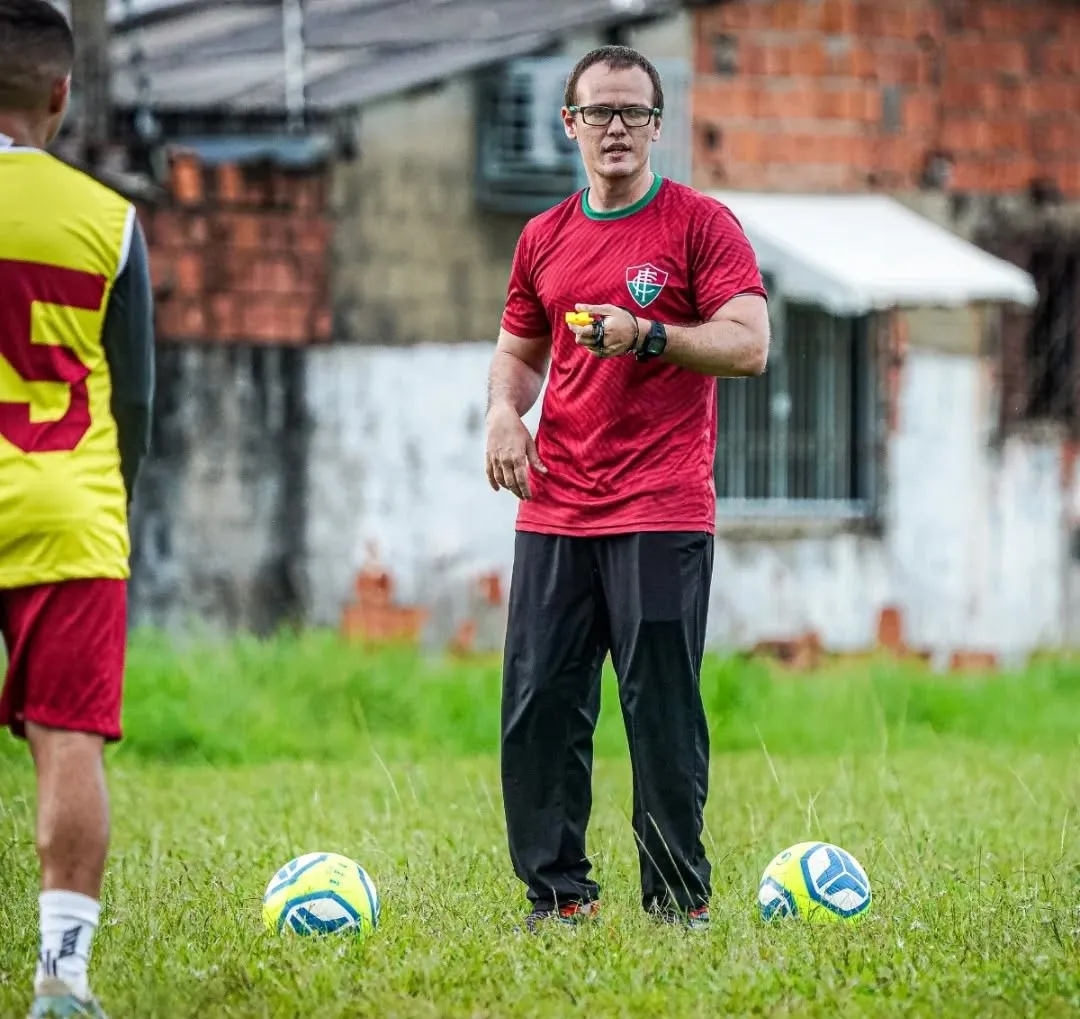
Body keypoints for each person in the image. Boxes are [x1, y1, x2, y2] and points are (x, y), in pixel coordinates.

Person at [485, 44, 770, 933]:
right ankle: (557, 897)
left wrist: (648, 334)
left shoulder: (699, 225)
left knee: (660, 709)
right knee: (537, 706)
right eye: (598, 112)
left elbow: (749, 342)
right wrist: (502, 414)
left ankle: (678, 901)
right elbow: (521, 351)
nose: (616, 127)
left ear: (657, 125)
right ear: (568, 123)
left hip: (660, 505)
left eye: (633, 113)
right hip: (557, 505)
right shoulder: (544, 237)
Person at [0, 1, 155, 1014]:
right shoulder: (109, 220)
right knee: (67, 737)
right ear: (61, 93)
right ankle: (62, 975)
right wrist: (112, 499)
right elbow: (134, 394)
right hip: (66, 509)